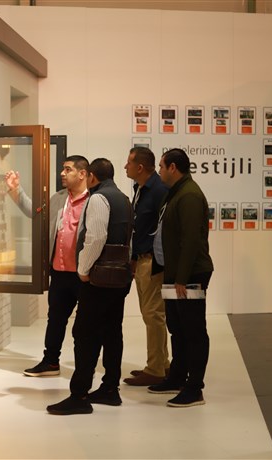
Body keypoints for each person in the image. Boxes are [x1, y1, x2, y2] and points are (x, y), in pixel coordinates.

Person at [47, 158, 133, 415]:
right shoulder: (123, 199)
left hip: (98, 280)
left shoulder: (98, 198)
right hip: (118, 278)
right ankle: (110, 388)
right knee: (112, 333)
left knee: (84, 335)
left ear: (92, 176)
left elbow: (95, 238)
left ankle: (79, 395)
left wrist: (83, 270)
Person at [5, 155, 89, 377]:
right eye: (63, 169)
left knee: (85, 325)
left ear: (82, 174)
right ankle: (51, 362)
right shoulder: (59, 198)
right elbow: (35, 213)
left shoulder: (94, 200)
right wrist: (16, 190)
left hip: (84, 276)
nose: (62, 173)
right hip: (59, 273)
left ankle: (84, 368)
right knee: (56, 320)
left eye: (68, 169)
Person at [148, 148, 214, 407]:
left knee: (193, 330)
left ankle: (194, 388)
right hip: (174, 273)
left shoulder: (189, 195)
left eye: (162, 166)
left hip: (189, 275)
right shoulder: (175, 192)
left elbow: (191, 241)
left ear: (173, 168)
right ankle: (177, 377)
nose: (159, 171)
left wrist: (182, 279)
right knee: (177, 327)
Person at [122, 147, 170, 386]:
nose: (125, 167)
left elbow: (166, 227)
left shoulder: (159, 190)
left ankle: (156, 369)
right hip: (142, 259)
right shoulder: (140, 189)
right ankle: (162, 364)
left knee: (153, 315)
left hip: (152, 261)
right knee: (151, 314)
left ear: (140, 167)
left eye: (129, 163)